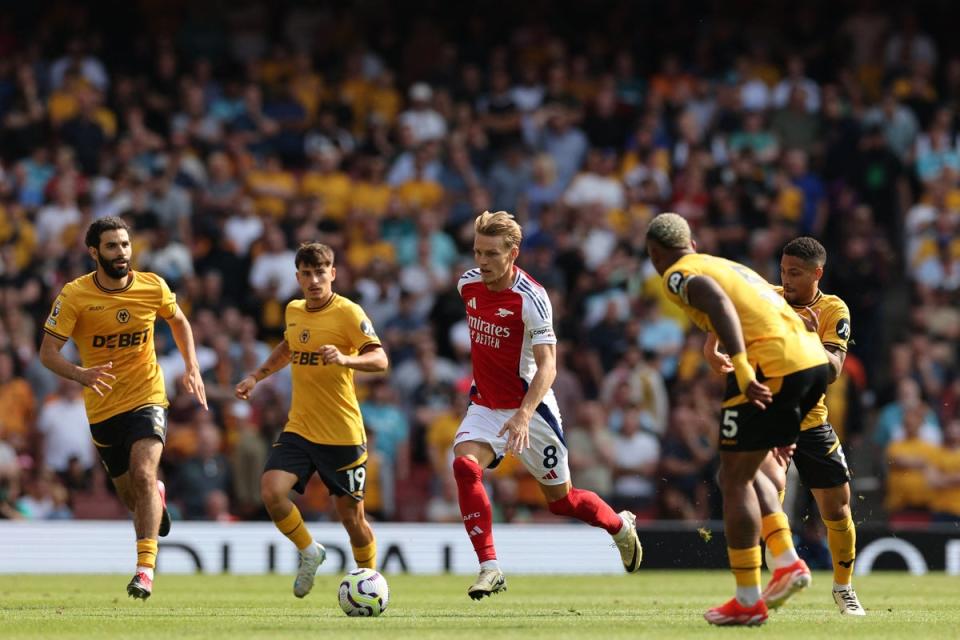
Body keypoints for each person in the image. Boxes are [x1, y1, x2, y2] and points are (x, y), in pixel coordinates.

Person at [646, 213, 829, 626]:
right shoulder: (725, 264)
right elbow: (759, 307)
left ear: (655, 254)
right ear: (691, 241)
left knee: (731, 478)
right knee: (744, 471)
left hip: (770, 367)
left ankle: (751, 596)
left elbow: (714, 301)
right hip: (809, 363)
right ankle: (784, 562)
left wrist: (743, 368)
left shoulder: (677, 273)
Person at [452, 210, 641, 600]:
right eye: (477, 252)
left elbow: (549, 364)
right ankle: (490, 567)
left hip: (531, 409)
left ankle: (619, 526)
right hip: (486, 405)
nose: (481, 262)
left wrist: (523, 414)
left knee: (563, 502)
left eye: (491, 254)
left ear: (513, 253)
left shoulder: (532, 298)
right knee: (464, 466)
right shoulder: (466, 285)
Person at [39, 216, 207, 600]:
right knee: (133, 496)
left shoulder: (152, 286)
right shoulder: (75, 295)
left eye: (126, 245)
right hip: (102, 407)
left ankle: (144, 572)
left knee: (144, 473)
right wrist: (81, 374)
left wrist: (191, 367)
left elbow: (179, 321)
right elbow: (47, 354)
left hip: (147, 395)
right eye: (112, 246)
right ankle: (156, 499)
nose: (122, 253)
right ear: (94, 252)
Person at [704, 236, 866, 615]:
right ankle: (765, 584)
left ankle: (843, 588)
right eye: (783, 271)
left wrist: (806, 338)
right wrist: (712, 346)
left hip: (810, 421)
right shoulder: (769, 297)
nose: (786, 280)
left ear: (817, 274)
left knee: (838, 511)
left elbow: (833, 371)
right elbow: (725, 311)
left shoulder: (832, 309)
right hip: (767, 417)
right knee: (767, 497)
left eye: (795, 273)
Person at [234, 242, 388, 599]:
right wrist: (257, 376)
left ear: (333, 273)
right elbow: (289, 346)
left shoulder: (349, 313)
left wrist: (347, 360)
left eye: (321, 272)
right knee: (271, 491)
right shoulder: (293, 309)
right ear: (298, 277)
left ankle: (370, 581)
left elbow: (379, 359)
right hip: (300, 428)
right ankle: (309, 551)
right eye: (307, 274)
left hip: (342, 434)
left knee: (352, 520)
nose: (315, 280)